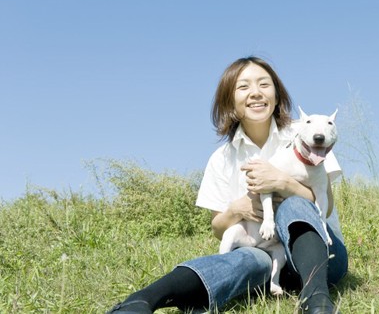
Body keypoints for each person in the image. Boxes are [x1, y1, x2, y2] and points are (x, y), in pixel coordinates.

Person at [108, 56, 348, 314]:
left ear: (277, 96)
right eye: (243, 87)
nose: (255, 93)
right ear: (230, 101)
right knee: (247, 257)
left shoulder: (310, 132)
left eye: (264, 85)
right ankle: (141, 300)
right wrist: (238, 210)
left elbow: (328, 204)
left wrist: (282, 182)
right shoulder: (221, 159)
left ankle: (318, 302)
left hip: (323, 257)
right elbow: (218, 227)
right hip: (267, 259)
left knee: (293, 205)